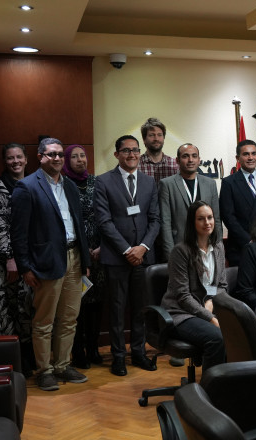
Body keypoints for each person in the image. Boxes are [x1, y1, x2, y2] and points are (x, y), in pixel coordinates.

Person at [11, 138, 91, 391]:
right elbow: (19, 233)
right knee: (44, 320)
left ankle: (62, 365)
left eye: (59, 155)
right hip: (46, 262)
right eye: (51, 155)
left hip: (74, 257)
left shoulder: (68, 185)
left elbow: (79, 224)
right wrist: (25, 267)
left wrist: (85, 260)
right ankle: (44, 370)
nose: (57, 159)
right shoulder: (26, 187)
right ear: (40, 157)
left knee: (69, 318)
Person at [94, 135, 160, 377]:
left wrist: (142, 247)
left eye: (135, 150)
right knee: (117, 309)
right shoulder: (103, 182)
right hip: (116, 258)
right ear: (117, 155)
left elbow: (155, 220)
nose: (131, 154)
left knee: (141, 309)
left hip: (143, 258)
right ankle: (118, 357)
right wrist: (127, 250)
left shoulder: (149, 182)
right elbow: (104, 221)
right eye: (126, 151)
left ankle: (139, 352)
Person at [160, 201, 227, 372]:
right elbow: (183, 296)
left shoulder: (219, 247)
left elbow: (222, 286)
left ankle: (229, 383)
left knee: (239, 331)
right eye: (201, 219)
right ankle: (210, 388)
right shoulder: (180, 251)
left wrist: (211, 301)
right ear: (192, 223)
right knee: (217, 337)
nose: (207, 223)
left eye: (210, 217)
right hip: (182, 313)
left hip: (209, 308)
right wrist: (210, 318)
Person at [0, 143, 34, 372]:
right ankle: (12, 364)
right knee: (7, 310)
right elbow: (0, 227)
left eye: (19, 157)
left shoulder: (33, 183)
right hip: (8, 261)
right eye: (10, 158)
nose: (15, 161)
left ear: (26, 159)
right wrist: (9, 258)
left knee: (27, 309)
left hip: (30, 258)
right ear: (5, 162)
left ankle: (27, 360)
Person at [62, 144, 105, 369]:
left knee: (95, 305)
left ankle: (94, 348)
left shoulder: (97, 182)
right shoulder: (63, 184)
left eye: (83, 156)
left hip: (98, 255)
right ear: (67, 160)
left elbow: (107, 215)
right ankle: (77, 352)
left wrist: (101, 247)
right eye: (75, 157)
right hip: (75, 254)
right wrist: (82, 248)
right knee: (75, 304)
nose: (80, 160)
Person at [159, 143, 221, 261]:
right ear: (177, 160)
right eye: (185, 156)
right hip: (180, 247)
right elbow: (165, 223)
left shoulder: (210, 184)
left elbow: (216, 219)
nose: (190, 160)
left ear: (199, 160)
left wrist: (218, 249)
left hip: (207, 247)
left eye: (194, 156)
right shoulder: (167, 184)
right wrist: (171, 255)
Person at [219, 140, 256, 266]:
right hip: (241, 247)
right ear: (238, 158)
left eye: (254, 154)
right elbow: (228, 217)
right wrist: (248, 240)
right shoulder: (229, 183)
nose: (250, 157)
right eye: (246, 154)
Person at [138, 117, 177, 183]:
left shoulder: (175, 165)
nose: (156, 139)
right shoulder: (135, 165)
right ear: (144, 139)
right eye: (151, 135)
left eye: (159, 135)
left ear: (164, 138)